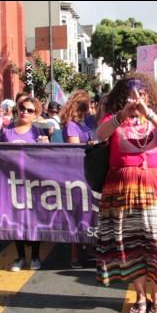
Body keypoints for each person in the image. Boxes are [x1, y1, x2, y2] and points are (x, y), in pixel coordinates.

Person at [95, 73, 157, 313]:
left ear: (149, 95)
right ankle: (139, 296)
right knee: (131, 245)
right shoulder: (114, 119)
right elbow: (100, 135)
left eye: (141, 94)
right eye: (131, 94)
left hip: (155, 189)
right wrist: (122, 115)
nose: (136, 98)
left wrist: (150, 113)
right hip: (122, 189)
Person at [0, 96, 49, 271]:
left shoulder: (38, 134)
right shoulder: (6, 132)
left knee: (34, 220)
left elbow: (46, 161)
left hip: (32, 185)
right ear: (17, 110)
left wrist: (47, 146)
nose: (25, 112)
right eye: (22, 108)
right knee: (16, 220)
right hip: (11, 183)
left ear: (36, 115)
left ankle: (35, 256)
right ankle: (19, 257)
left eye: (30, 110)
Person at [61, 90, 97, 269]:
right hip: (76, 172)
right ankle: (74, 255)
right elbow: (74, 148)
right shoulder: (71, 125)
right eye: (89, 104)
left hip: (90, 171)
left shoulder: (88, 121)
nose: (92, 106)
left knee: (89, 212)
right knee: (76, 212)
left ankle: (90, 248)